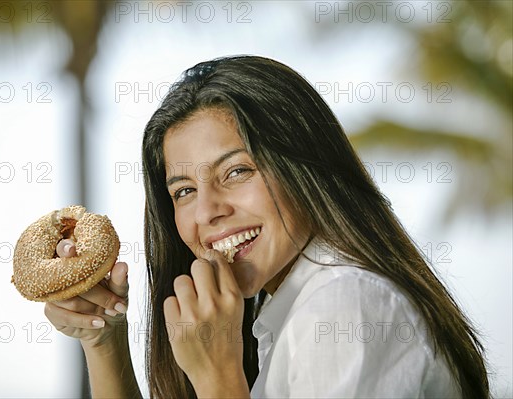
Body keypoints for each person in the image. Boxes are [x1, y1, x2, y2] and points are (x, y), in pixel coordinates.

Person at [45, 55, 490, 398]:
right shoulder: (280, 315)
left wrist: (218, 376)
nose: (206, 212)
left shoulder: (342, 306)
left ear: (303, 167)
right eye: (183, 191)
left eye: (236, 171)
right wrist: (104, 342)